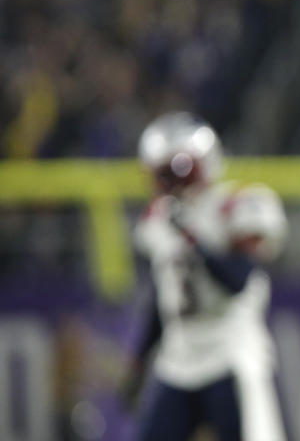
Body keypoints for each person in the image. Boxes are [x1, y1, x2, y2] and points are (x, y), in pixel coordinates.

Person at [119, 111, 288, 441]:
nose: (170, 182)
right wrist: (139, 360)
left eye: (176, 170)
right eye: (162, 173)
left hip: (230, 352)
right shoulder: (158, 218)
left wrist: (192, 236)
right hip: (178, 357)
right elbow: (162, 294)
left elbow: (238, 280)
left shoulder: (234, 205)